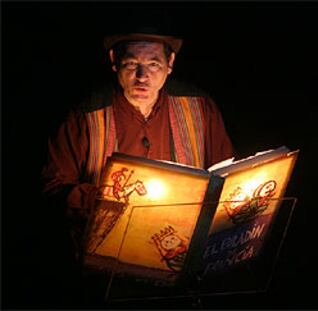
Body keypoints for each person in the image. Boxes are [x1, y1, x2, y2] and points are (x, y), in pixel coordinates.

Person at [40, 26, 235, 306]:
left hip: (181, 272)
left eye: (153, 64)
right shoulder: (85, 115)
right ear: (114, 61)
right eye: (132, 64)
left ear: (170, 65)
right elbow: (53, 188)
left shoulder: (200, 108)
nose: (142, 77)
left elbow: (224, 176)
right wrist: (108, 201)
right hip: (107, 276)